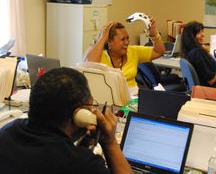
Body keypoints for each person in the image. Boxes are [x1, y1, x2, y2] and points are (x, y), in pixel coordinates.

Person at [0, 67, 132, 174]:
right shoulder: (83, 165)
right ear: (79, 115)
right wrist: (110, 143)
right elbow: (68, 160)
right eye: (90, 107)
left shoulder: (7, 132)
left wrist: (83, 146)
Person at [84, 17, 165, 89]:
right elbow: (88, 66)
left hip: (133, 98)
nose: (127, 42)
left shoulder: (133, 51)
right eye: (122, 39)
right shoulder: (100, 55)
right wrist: (102, 39)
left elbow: (159, 51)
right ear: (109, 41)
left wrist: (153, 33)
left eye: (127, 38)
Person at [181, 21, 216, 88]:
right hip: (212, 90)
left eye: (202, 31)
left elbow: (206, 72)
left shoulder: (189, 51)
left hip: (203, 90)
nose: (203, 34)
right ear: (191, 37)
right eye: (199, 33)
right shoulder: (197, 53)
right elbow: (211, 80)